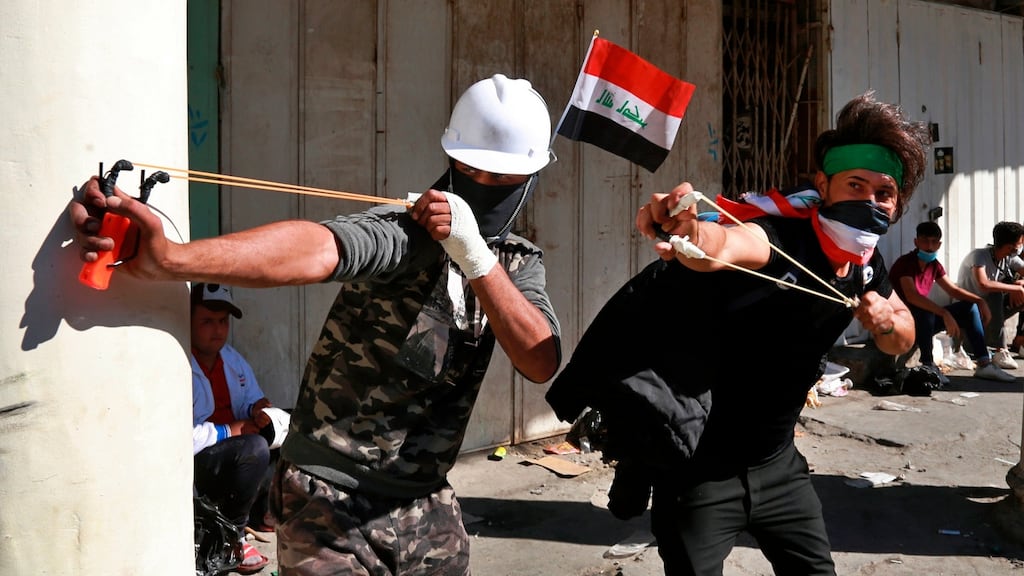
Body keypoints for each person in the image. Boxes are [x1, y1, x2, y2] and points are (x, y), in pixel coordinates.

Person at [70, 73, 560, 576]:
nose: (487, 188)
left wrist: (475, 255)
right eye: (472, 170)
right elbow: (317, 250)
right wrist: (173, 260)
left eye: (504, 181)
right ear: (451, 161)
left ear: (530, 180)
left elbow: (539, 358)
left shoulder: (515, 264)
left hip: (426, 503)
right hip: (329, 493)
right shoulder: (402, 234)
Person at [550, 91, 931, 576]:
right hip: (699, 477)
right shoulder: (782, 237)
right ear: (823, 185)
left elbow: (903, 338)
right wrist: (689, 231)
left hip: (781, 469)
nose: (869, 203)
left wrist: (889, 323)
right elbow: (728, 244)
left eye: (884, 194)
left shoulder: (866, 265)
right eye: (855, 185)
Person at [190, 282, 273, 574]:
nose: (217, 330)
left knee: (281, 431)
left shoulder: (231, 358)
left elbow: (252, 398)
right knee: (254, 448)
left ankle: (264, 514)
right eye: (207, 321)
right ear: (187, 321)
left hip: (230, 454)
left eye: (223, 321)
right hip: (198, 466)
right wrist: (231, 429)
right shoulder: (178, 363)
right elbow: (178, 438)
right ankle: (231, 538)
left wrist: (258, 410)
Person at [888, 221, 1015, 383]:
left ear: (939, 244)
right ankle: (928, 365)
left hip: (922, 323)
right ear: (916, 242)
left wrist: (979, 301)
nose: (929, 246)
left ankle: (984, 364)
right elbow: (912, 296)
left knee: (969, 308)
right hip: (902, 322)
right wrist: (944, 312)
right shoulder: (905, 263)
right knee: (926, 312)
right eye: (925, 241)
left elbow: (952, 290)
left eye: (934, 242)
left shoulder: (934, 265)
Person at [956, 221, 1024, 371]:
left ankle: (1020, 339)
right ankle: (1001, 350)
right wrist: (1014, 289)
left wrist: (1020, 284)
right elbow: (983, 284)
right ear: (1009, 246)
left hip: (987, 314)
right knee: (996, 294)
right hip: (969, 313)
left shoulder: (1008, 258)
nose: (1020, 246)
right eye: (1019, 243)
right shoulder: (979, 255)